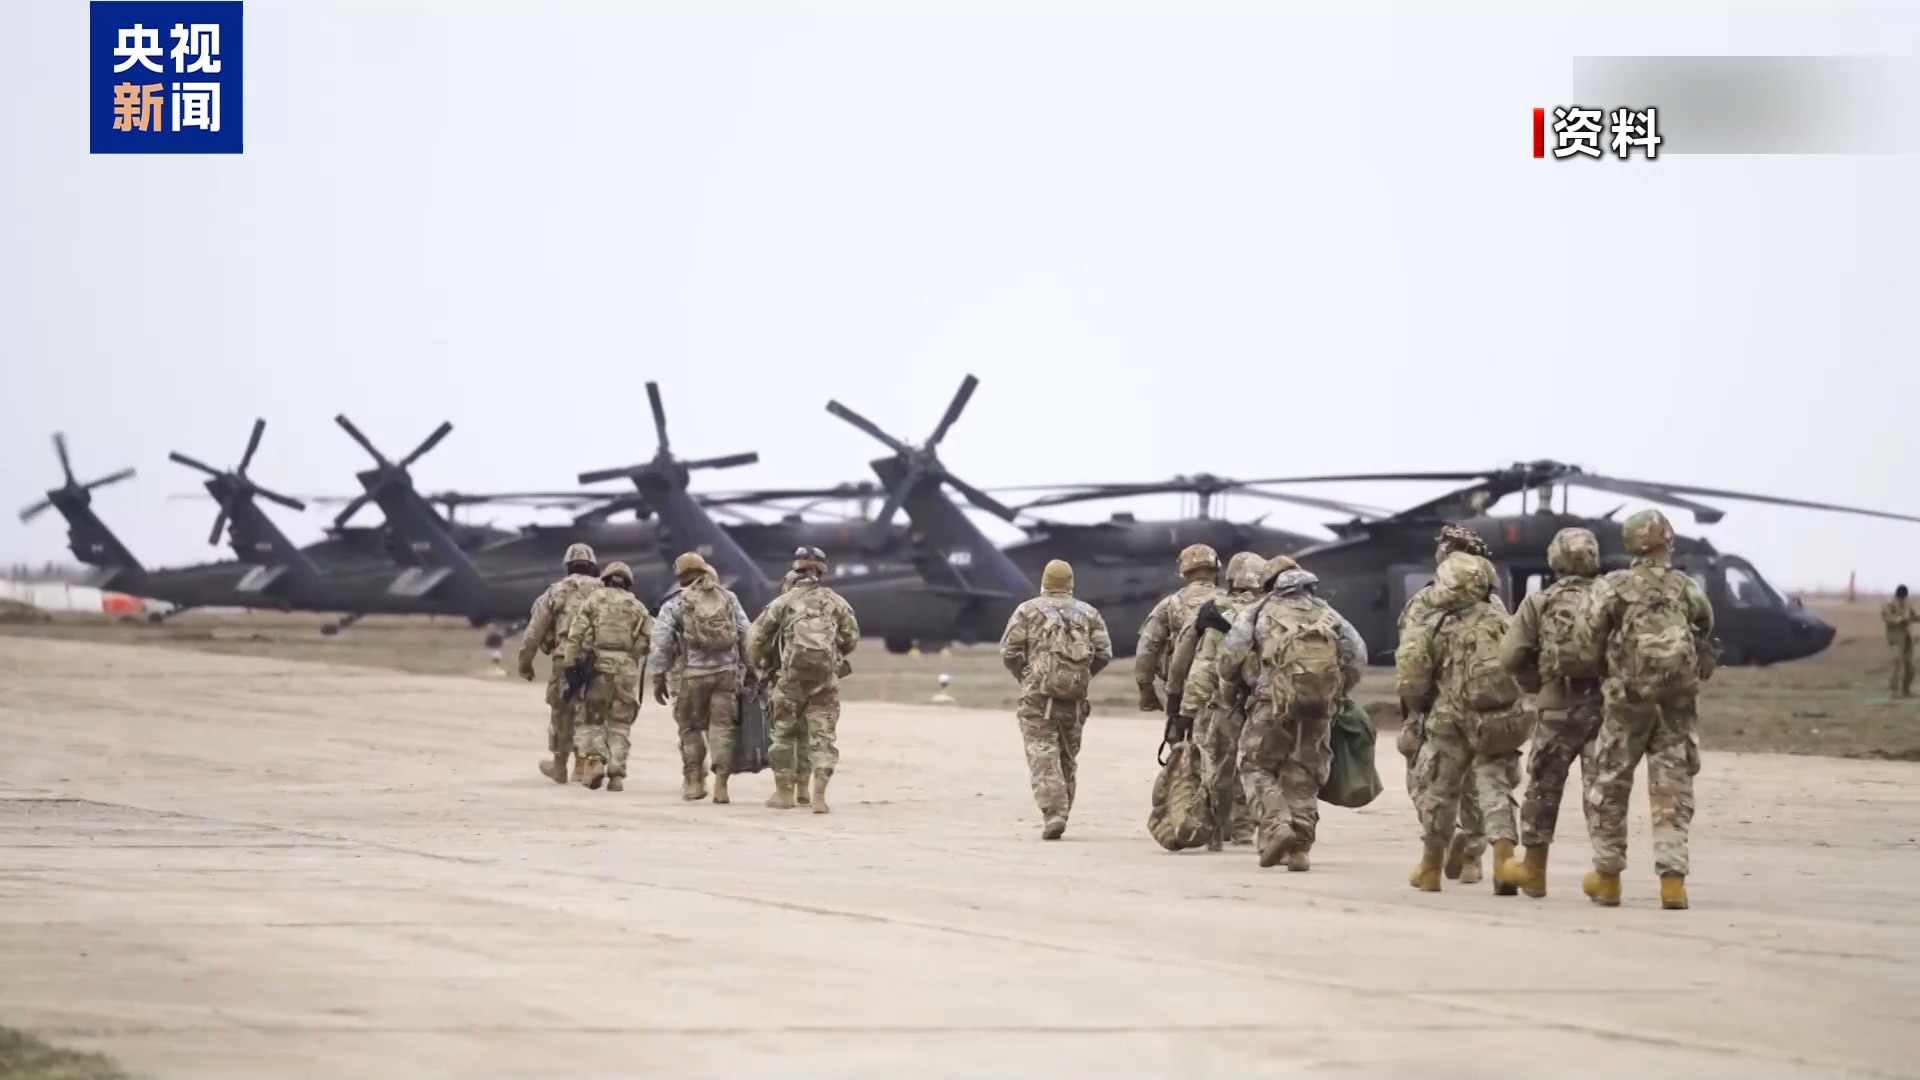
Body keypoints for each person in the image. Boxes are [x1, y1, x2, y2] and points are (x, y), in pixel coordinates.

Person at [1578, 508, 1714, 910]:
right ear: (1668, 542)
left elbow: (1585, 641)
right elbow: (1705, 629)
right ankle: (1672, 884)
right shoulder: (1685, 588)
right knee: (1672, 790)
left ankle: (1607, 879)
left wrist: (1608, 667)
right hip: (1676, 705)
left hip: (1626, 703)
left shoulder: (1612, 587)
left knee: (1609, 784)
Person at [1216, 559, 1366, 870]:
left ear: (1271, 583)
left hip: (1270, 704)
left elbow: (1229, 658)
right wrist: (1335, 693)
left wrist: (1238, 686)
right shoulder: (1329, 615)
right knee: (1305, 774)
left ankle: (1276, 823)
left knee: (1254, 764)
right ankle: (1300, 850)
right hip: (1319, 709)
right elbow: (1357, 656)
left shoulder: (1258, 612)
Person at [1397, 552, 1525, 892]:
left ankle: (1430, 869)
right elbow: (1524, 665)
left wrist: (1421, 707)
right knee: (1496, 789)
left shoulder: (1434, 625)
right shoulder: (1503, 621)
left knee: (1440, 792)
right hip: (1497, 720)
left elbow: (1412, 681)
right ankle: (1504, 863)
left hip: (1448, 721)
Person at [1498, 528, 1606, 897]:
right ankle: (1607, 876)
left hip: (1557, 706)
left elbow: (1510, 656)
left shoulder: (1539, 602)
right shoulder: (1613, 598)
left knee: (1543, 787)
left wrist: (1535, 684)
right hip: (1606, 708)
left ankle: (1533, 871)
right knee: (1602, 790)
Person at [1000, 559, 1114, 840]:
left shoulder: (1027, 610)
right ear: (1071, 584)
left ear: (1044, 583)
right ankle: (1063, 810)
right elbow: (1104, 652)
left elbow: (1010, 651)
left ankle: (1054, 813)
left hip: (1037, 697)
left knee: (1043, 753)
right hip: (1074, 699)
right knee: (1067, 757)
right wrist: (1080, 677)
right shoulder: (1089, 613)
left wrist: (1027, 676)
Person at [1165, 552, 1268, 850]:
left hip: (1214, 700)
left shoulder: (1212, 610)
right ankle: (1244, 828)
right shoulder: (1270, 611)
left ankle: (1212, 829)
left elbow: (1187, 661)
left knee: (1211, 762)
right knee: (1251, 762)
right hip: (1258, 701)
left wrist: (1178, 705)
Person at [749, 547, 859, 812]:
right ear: (822, 571)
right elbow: (851, 637)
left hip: (790, 679)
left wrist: (763, 663)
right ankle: (818, 795)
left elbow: (756, 638)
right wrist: (833, 656)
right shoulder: (836, 602)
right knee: (822, 737)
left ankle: (784, 794)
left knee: (784, 734)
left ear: (795, 570)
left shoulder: (783, 602)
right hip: (825, 681)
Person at [648, 552, 753, 804]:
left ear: (680, 576)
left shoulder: (675, 603)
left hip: (690, 676)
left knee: (690, 728)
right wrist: (750, 668)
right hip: (726, 673)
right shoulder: (728, 597)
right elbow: (746, 633)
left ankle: (695, 782)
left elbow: (661, 642)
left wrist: (658, 676)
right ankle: (721, 784)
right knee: (722, 726)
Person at [558, 561, 654, 791]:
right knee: (620, 723)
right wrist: (631, 656)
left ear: (606, 579)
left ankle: (595, 762)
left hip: (597, 668)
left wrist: (570, 665)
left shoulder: (593, 601)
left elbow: (575, 634)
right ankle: (617, 774)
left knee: (593, 719)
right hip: (626, 670)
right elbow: (648, 640)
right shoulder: (638, 607)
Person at [515, 542, 601, 784]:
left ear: (568, 566)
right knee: (590, 710)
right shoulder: (604, 591)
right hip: (597, 659)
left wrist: (525, 661)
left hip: (565, 658)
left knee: (562, 711)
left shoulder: (556, 592)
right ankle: (583, 766)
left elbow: (535, 630)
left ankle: (560, 766)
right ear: (592, 565)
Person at [1134, 544, 1224, 714]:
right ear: (1215, 570)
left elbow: (1146, 648)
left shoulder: (1169, 604)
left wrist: (1146, 690)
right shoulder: (1230, 602)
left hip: (1181, 689)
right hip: (1222, 690)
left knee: (1181, 729)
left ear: (1184, 573)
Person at [1883, 585, 1916, 698]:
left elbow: (1913, 616)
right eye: (1901, 597)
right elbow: (1887, 618)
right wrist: (1899, 619)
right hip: (1894, 636)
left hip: (1906, 636)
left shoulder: (1907, 603)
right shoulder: (1889, 604)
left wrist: (1915, 618)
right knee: (1897, 661)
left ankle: (1906, 689)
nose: (1903, 599)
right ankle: (1894, 690)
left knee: (1910, 664)